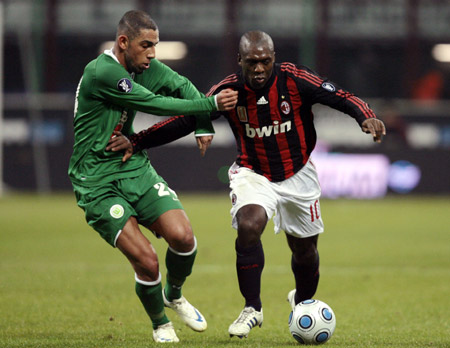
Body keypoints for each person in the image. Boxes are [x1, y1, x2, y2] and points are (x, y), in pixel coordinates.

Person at [108, 30, 386, 339]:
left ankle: (303, 301)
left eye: (265, 62)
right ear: (240, 60)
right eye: (251, 62)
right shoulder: (229, 90)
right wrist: (136, 140)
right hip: (253, 172)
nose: (258, 69)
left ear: (273, 59)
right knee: (250, 225)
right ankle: (252, 308)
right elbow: (188, 118)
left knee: (305, 251)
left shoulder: (294, 80)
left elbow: (340, 96)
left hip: (299, 173)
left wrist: (366, 116)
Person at [68, 10, 238, 343]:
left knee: (184, 238)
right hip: (96, 181)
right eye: (146, 46)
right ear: (123, 42)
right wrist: (212, 105)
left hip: (131, 164)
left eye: (155, 46)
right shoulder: (102, 72)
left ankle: (173, 294)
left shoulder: (143, 66)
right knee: (146, 259)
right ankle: (160, 324)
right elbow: (155, 103)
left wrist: (203, 123)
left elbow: (181, 86)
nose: (152, 54)